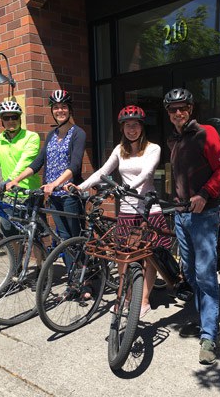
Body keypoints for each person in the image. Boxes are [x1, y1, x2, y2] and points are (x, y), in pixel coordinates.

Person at [68, 105, 170, 318]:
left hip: (148, 209)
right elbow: (103, 172)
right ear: (122, 128)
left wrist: (129, 188)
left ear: (142, 127)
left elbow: (147, 172)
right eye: (127, 126)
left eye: (135, 125)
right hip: (126, 209)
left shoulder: (153, 148)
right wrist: (81, 186)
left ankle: (143, 300)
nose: (131, 130)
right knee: (123, 256)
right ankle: (125, 294)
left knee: (150, 257)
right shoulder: (119, 150)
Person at [164, 88, 220, 365]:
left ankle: (209, 336)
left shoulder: (206, 133)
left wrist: (205, 194)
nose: (178, 113)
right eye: (173, 109)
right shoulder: (176, 141)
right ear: (168, 114)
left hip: (203, 215)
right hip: (181, 215)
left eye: (183, 108)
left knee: (204, 275)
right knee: (189, 271)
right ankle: (207, 311)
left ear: (190, 109)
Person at [6, 90, 86, 277]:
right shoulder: (52, 134)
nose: (60, 110)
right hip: (53, 197)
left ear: (69, 109)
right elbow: (37, 163)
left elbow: (74, 166)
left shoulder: (78, 133)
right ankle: (72, 278)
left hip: (69, 195)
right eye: (56, 107)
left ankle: (85, 281)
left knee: (75, 239)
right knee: (63, 238)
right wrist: (15, 180)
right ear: (52, 110)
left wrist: (54, 184)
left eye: (63, 106)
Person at [0, 100, 41, 236]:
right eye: (6, 118)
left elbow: (25, 161)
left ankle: (40, 258)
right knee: (9, 235)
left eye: (14, 117)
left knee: (32, 237)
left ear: (20, 118)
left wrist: (11, 180)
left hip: (28, 194)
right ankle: (15, 258)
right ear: (1, 121)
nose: (11, 121)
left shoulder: (31, 137)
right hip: (8, 196)